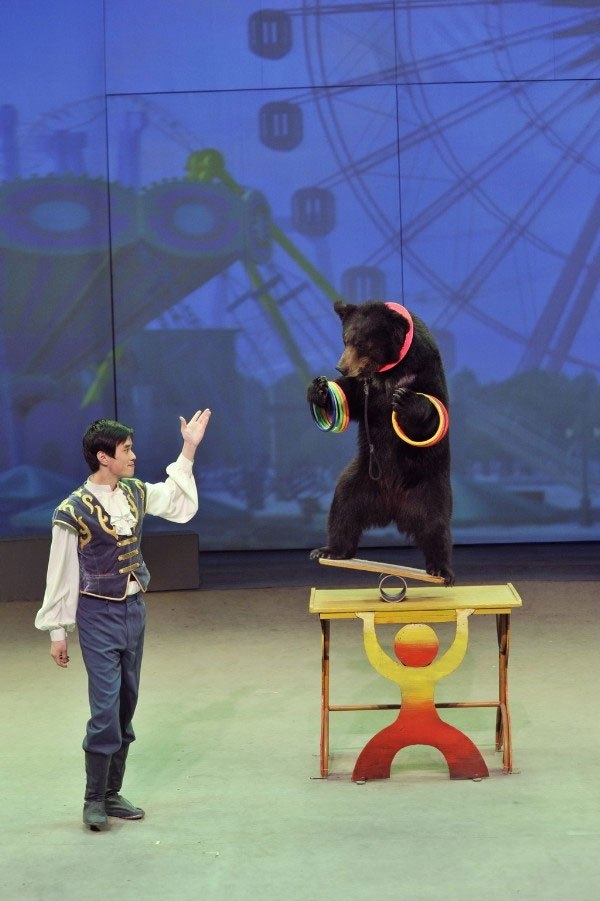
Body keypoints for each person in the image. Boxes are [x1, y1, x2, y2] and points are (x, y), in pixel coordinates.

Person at [35, 409, 211, 830]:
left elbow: (177, 502)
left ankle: (112, 793)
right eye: (126, 450)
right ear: (103, 457)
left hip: (134, 612)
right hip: (97, 615)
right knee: (104, 711)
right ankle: (93, 799)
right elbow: (61, 573)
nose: (133, 456)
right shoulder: (72, 510)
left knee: (125, 705)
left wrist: (188, 448)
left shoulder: (133, 492)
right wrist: (58, 631)